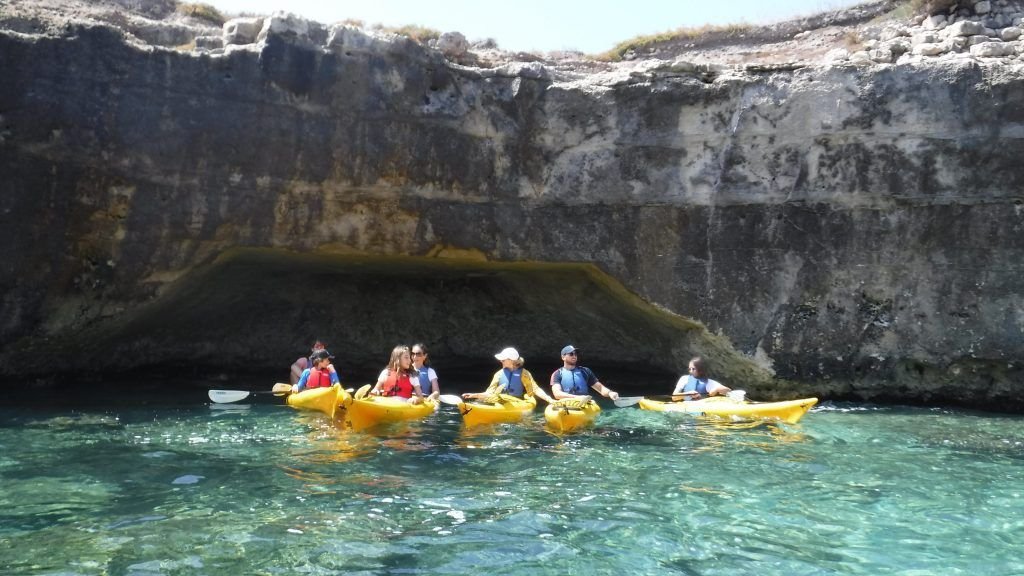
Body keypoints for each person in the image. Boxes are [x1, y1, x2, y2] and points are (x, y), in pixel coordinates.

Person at [462, 347, 555, 403]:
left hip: (518, 402)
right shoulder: (498, 374)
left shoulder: (524, 373)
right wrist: (474, 395)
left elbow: (535, 389)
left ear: (511, 360)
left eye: (503, 360)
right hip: (501, 402)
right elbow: (489, 393)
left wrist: (549, 399)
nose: (500, 361)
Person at [550, 345, 619, 401]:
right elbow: (557, 394)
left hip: (584, 404)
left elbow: (600, 388)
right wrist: (576, 398)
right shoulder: (557, 374)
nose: (574, 356)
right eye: (571, 354)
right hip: (567, 404)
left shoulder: (585, 371)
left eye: (575, 354)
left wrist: (610, 393)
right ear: (563, 357)